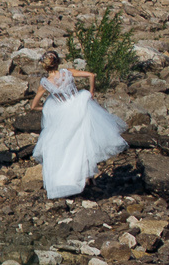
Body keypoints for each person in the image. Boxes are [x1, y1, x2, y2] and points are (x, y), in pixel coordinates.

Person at [26, 49, 127, 199]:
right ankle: (89, 178)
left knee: (67, 147)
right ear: (58, 62)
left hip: (63, 115)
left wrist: (48, 107)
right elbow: (91, 75)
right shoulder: (67, 73)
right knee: (84, 141)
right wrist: (91, 93)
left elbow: (33, 106)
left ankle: (72, 179)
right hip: (80, 106)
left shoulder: (45, 83)